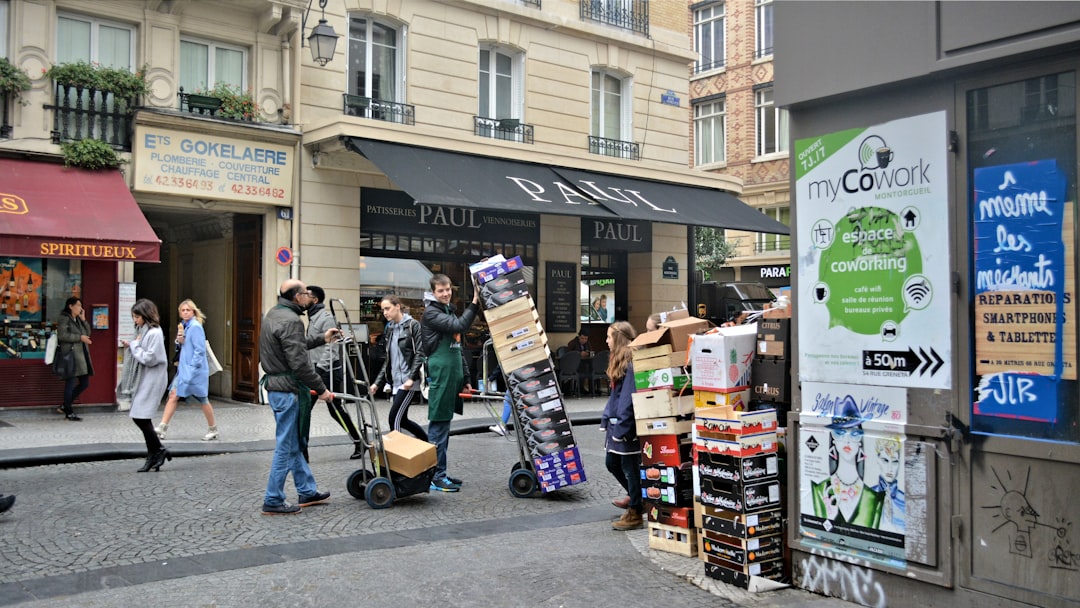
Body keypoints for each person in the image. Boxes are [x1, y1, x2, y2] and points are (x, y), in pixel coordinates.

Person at [258, 279, 336, 515]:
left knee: (292, 444)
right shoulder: (292, 320)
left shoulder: (274, 313)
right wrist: (322, 389)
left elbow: (293, 345)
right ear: (296, 297)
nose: (308, 297)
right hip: (287, 390)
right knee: (285, 446)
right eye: (305, 293)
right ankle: (273, 498)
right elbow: (300, 364)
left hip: (276, 387)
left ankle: (307, 491)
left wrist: (322, 338)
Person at [421, 273, 479, 492]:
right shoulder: (431, 313)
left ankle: (441, 472)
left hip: (451, 374)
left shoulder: (447, 310)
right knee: (438, 426)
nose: (445, 294)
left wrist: (466, 378)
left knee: (444, 425)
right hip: (441, 374)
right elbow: (461, 326)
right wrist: (475, 301)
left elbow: (458, 349)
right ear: (433, 292)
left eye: (448, 290)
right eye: (441, 291)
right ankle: (435, 476)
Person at [305, 286, 365, 459]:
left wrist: (319, 370)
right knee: (306, 410)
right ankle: (302, 451)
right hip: (315, 370)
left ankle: (359, 441)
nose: (302, 297)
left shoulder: (326, 318)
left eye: (306, 295)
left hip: (327, 371)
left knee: (334, 409)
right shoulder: (313, 317)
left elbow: (332, 347)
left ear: (315, 300)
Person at [811, 396, 885, 527]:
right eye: (840, 433)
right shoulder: (819, 490)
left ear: (860, 441)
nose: (847, 440)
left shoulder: (874, 498)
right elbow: (815, 531)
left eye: (854, 434)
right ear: (833, 439)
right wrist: (831, 518)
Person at [600, 321, 644, 531]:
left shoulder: (630, 362)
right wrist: (606, 418)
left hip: (626, 427)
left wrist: (623, 428)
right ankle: (638, 499)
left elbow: (627, 398)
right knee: (613, 463)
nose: (606, 340)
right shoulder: (619, 360)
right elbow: (616, 397)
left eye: (609, 337)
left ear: (617, 338)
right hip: (618, 424)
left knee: (629, 466)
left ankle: (636, 510)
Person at [119, 299, 171, 472]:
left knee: (140, 416)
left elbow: (150, 358)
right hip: (146, 378)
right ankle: (156, 452)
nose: (135, 320)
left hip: (153, 378)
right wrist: (132, 345)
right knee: (141, 416)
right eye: (133, 317)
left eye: (137, 317)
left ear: (145, 315)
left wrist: (134, 345)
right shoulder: (144, 331)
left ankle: (156, 451)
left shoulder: (154, 333)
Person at [155, 300, 218, 441]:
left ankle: (213, 428)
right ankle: (162, 427)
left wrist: (192, 368)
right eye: (182, 310)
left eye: (188, 310)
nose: (185, 312)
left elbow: (199, 350)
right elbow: (185, 346)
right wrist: (179, 341)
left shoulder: (195, 327)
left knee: (203, 398)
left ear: (193, 311)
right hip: (184, 369)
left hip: (193, 370)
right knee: (173, 395)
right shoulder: (184, 326)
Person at [370, 295, 428, 441]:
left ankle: (397, 451)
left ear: (398, 306)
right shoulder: (390, 329)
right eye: (383, 310)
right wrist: (377, 383)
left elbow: (420, 353)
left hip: (408, 381)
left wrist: (411, 378)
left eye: (387, 308)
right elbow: (388, 360)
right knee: (402, 420)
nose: (385, 313)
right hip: (396, 381)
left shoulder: (413, 325)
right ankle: (428, 443)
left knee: (394, 418)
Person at [56, 296, 93, 421]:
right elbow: (62, 335)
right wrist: (79, 338)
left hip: (81, 356)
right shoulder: (64, 318)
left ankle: (65, 405)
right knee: (70, 383)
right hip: (70, 356)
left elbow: (88, 333)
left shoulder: (78, 319)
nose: (80, 308)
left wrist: (84, 320)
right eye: (78, 305)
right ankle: (68, 411)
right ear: (70, 306)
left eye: (81, 305)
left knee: (84, 383)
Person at [871, 436, 906, 533]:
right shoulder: (868, 495)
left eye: (894, 462)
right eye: (885, 460)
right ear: (877, 460)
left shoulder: (905, 502)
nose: (890, 468)